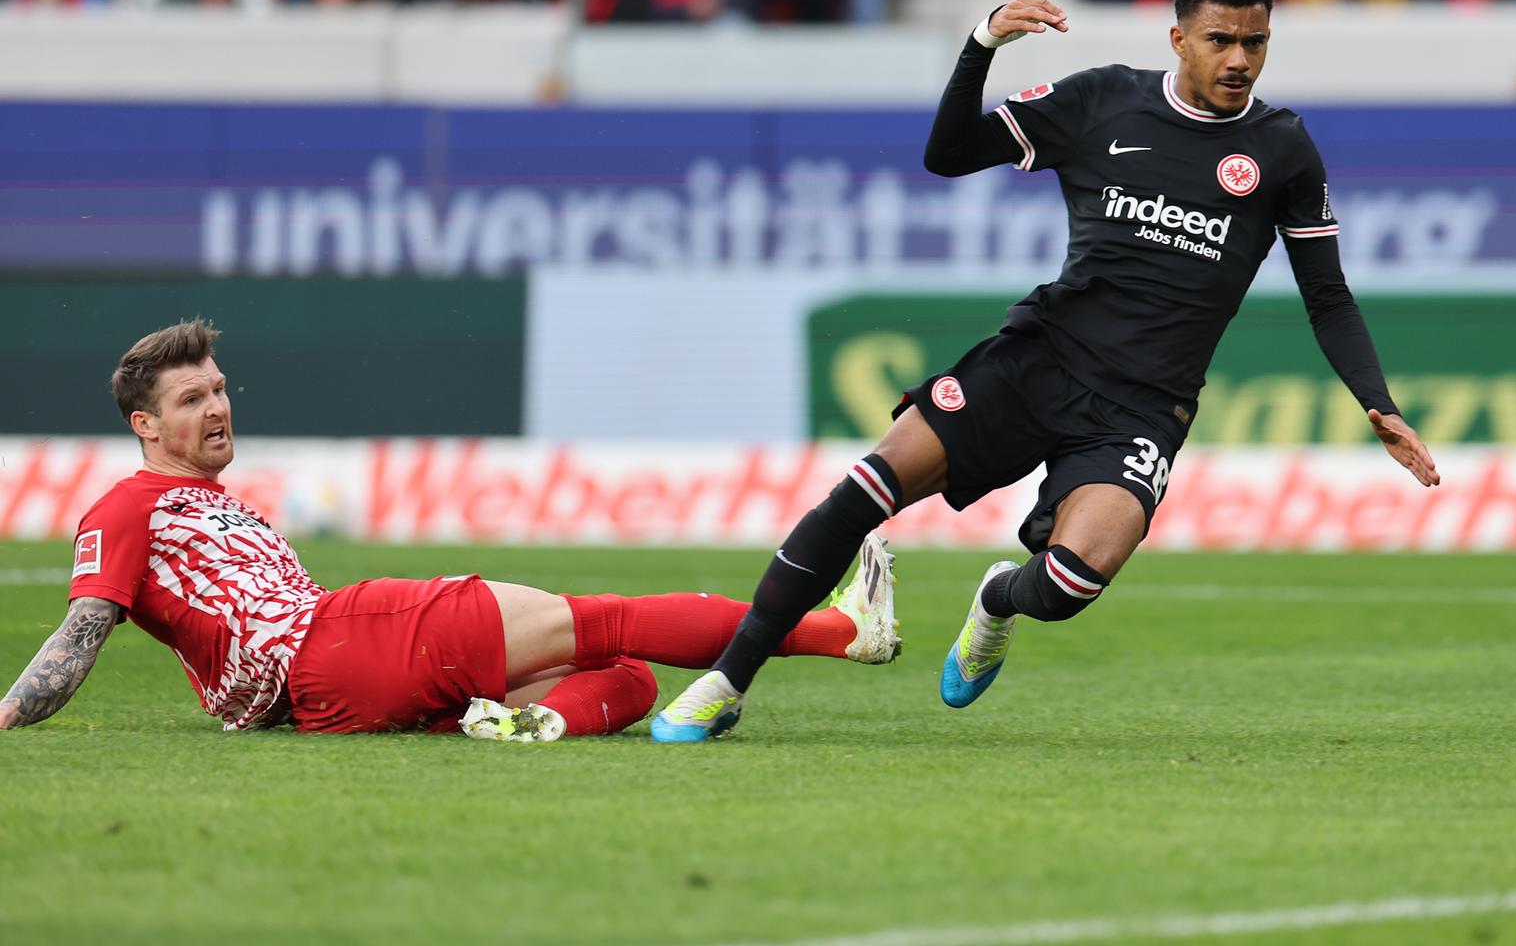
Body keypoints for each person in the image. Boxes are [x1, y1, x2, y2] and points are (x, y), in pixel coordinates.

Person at [649, 0, 1439, 743]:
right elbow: (947, 155)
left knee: (1070, 581)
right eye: (1220, 39)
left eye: (1255, 42)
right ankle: (727, 682)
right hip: (1038, 361)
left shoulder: (1282, 149)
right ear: (1178, 37)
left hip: (1140, 408)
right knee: (863, 489)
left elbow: (1327, 295)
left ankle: (997, 600)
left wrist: (1380, 403)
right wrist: (981, 44)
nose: (1239, 60)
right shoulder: (1103, 100)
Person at [0, 319, 899, 739]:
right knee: (607, 620)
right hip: (338, 641)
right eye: (191, 399)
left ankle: (526, 724)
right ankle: (839, 630)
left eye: (221, 388)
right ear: (145, 426)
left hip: (326, 701)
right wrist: (8, 715)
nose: (218, 407)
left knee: (620, 676)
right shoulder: (126, 507)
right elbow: (81, 630)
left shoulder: (220, 505)